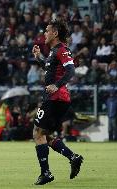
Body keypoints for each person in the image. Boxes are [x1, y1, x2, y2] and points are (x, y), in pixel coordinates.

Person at [31, 19, 84, 185]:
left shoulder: (62, 50)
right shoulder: (53, 52)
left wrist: (57, 85)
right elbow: (49, 68)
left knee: (37, 133)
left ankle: (46, 173)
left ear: (55, 33)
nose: (44, 34)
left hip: (55, 98)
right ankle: (73, 157)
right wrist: (38, 57)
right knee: (46, 135)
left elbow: (71, 70)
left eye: (47, 31)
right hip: (58, 98)